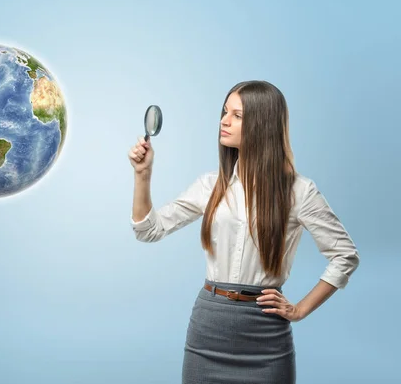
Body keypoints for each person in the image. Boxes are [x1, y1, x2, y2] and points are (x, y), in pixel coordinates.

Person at [127, 80, 360, 384]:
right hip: (208, 328)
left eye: (237, 115)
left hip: (266, 335)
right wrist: (142, 175)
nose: (224, 121)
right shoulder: (210, 185)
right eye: (225, 112)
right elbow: (148, 230)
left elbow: (345, 255)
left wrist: (300, 309)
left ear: (263, 123)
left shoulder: (299, 191)